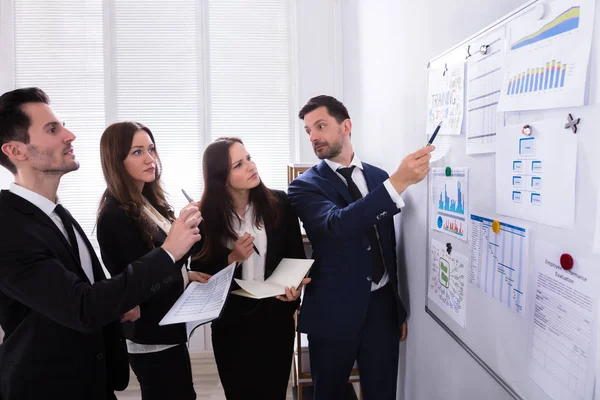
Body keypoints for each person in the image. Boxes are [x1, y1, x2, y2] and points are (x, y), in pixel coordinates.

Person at [0, 87, 201, 400]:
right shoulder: (7, 226)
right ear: (16, 151)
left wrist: (117, 309)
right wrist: (169, 252)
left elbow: (76, 295)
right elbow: (82, 307)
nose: (70, 135)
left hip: (92, 380)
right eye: (53, 129)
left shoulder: (59, 214)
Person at [288, 95, 434, 400]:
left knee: (382, 393)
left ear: (346, 126)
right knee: (328, 393)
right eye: (308, 131)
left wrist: (397, 308)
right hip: (332, 313)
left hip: (382, 310)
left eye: (321, 126)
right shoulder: (304, 186)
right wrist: (397, 184)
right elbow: (336, 225)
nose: (313, 136)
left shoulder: (378, 177)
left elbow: (386, 248)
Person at [97, 121, 210, 400]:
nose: (150, 158)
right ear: (116, 160)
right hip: (150, 332)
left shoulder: (146, 201)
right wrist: (182, 274)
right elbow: (140, 279)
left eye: (151, 149)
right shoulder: (116, 214)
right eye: (137, 152)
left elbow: (165, 259)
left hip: (167, 327)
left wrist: (187, 274)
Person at [191, 137, 309, 400]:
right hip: (231, 324)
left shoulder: (279, 203)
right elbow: (199, 271)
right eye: (238, 165)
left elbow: (295, 256)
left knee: (274, 393)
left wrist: (294, 292)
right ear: (221, 177)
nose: (251, 166)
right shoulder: (206, 217)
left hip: (275, 319)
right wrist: (232, 258)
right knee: (239, 393)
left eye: (249, 158)